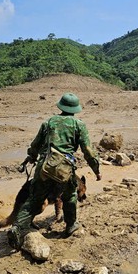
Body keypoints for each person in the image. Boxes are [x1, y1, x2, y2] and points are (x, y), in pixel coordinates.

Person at [7, 93, 101, 248]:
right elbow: (88, 151)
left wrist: (30, 157)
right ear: (75, 109)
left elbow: (35, 145)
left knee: (35, 199)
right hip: (64, 169)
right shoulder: (79, 125)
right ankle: (70, 226)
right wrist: (96, 169)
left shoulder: (48, 122)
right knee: (70, 196)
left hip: (44, 166)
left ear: (61, 107)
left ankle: (17, 227)